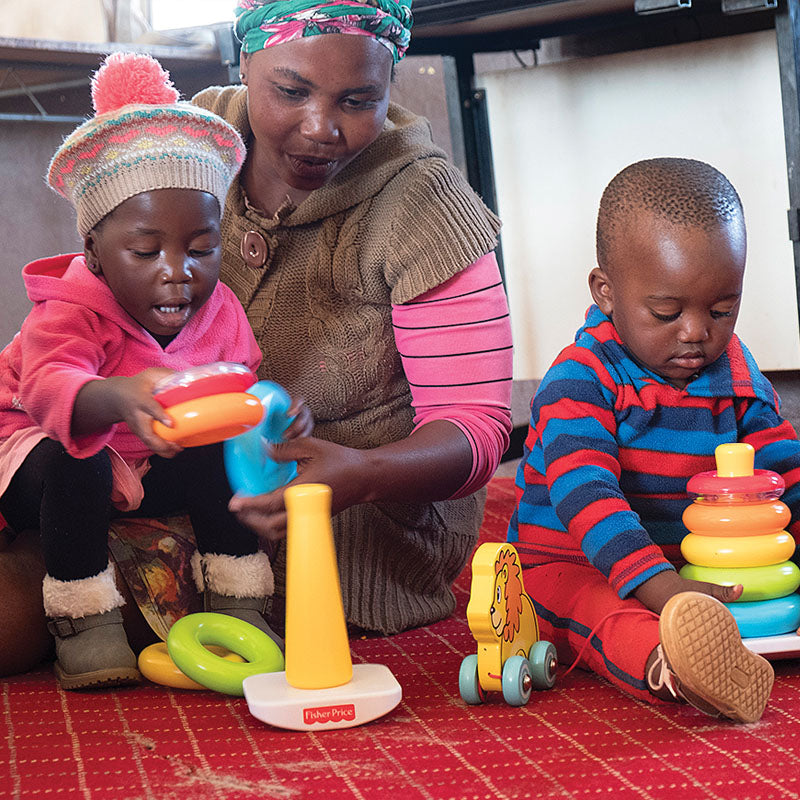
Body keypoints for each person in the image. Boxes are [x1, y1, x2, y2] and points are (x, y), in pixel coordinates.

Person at [187, 0, 513, 636]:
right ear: (244, 61)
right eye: (291, 91)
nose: (321, 128)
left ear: (390, 81)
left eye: (358, 100)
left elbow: (475, 428)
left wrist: (362, 477)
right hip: (186, 491)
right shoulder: (192, 148)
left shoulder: (423, 203)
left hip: (363, 531)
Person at [0, 52, 310, 688]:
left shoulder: (219, 309)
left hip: (144, 463)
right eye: (146, 251)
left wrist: (273, 412)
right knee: (78, 458)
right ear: (94, 252)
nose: (178, 271)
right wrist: (116, 397)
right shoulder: (69, 309)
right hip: (40, 452)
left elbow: (241, 388)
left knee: (222, 449)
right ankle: (83, 617)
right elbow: (48, 388)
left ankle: (239, 598)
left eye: (202, 249)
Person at [507, 157, 794, 723]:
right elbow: (586, 493)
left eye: (722, 310)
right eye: (667, 312)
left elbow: (782, 469)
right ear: (606, 292)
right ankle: (672, 666)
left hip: (689, 566)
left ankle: (705, 637)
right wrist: (656, 584)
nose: (697, 332)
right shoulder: (580, 379)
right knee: (605, 613)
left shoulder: (734, 371)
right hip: (569, 564)